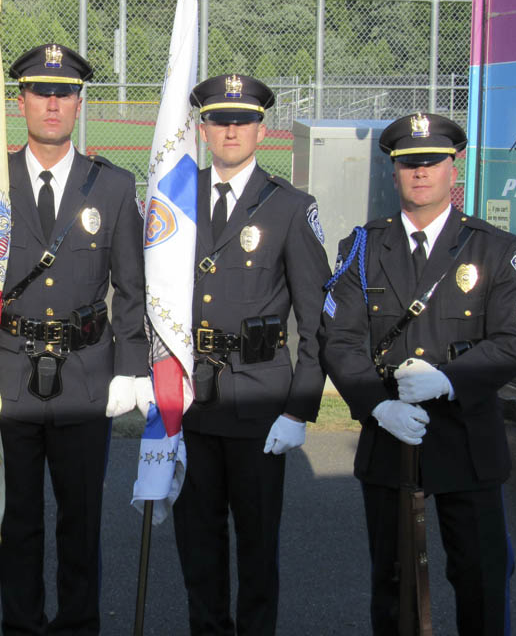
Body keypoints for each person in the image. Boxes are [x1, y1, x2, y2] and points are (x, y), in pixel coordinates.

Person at [319, 113, 516, 634]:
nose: (420, 173)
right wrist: (377, 403)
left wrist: (450, 379)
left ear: (453, 168)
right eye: (408, 163)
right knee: (393, 585)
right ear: (394, 172)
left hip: (469, 440)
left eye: (432, 162)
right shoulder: (363, 249)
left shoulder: (498, 250)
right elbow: (339, 338)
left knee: (482, 578)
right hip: (391, 436)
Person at [0, 43, 148, 634]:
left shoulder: (110, 187)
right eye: (40, 92)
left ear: (80, 103)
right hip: (8, 372)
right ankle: (21, 627)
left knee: (80, 522)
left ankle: (80, 627)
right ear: (21, 101)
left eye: (64, 93)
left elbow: (129, 287)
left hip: (87, 375)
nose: (52, 104)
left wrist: (130, 370)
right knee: (16, 522)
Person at [171, 74, 330, 635]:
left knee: (257, 546)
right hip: (190, 401)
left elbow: (317, 320)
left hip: (261, 402)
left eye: (242, 120)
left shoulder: (289, 207)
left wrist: (300, 409)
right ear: (203, 128)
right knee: (198, 541)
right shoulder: (174, 203)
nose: (230, 130)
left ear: (262, 129)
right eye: (219, 120)